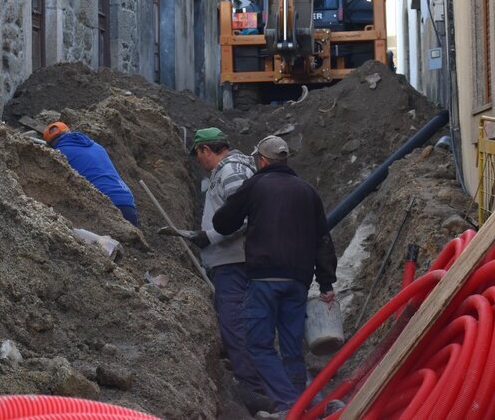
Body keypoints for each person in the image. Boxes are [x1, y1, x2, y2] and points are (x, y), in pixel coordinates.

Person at [213, 135, 337, 414]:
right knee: (293, 347)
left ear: (262, 160)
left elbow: (223, 222)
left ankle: (289, 404)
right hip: (298, 281)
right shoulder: (307, 191)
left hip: (263, 279)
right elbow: (323, 240)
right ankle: (305, 404)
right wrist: (326, 282)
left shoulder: (256, 184)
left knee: (258, 344)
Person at [161, 127, 271, 413]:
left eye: (198, 156)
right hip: (235, 259)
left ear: (205, 150)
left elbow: (244, 216)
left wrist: (208, 236)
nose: (199, 163)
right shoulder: (236, 170)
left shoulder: (230, 171)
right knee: (247, 324)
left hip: (233, 261)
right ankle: (263, 386)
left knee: (236, 325)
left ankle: (254, 391)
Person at [42, 121, 139, 226]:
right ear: (69, 132)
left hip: (105, 202)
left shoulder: (60, 153)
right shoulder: (96, 146)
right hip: (127, 199)